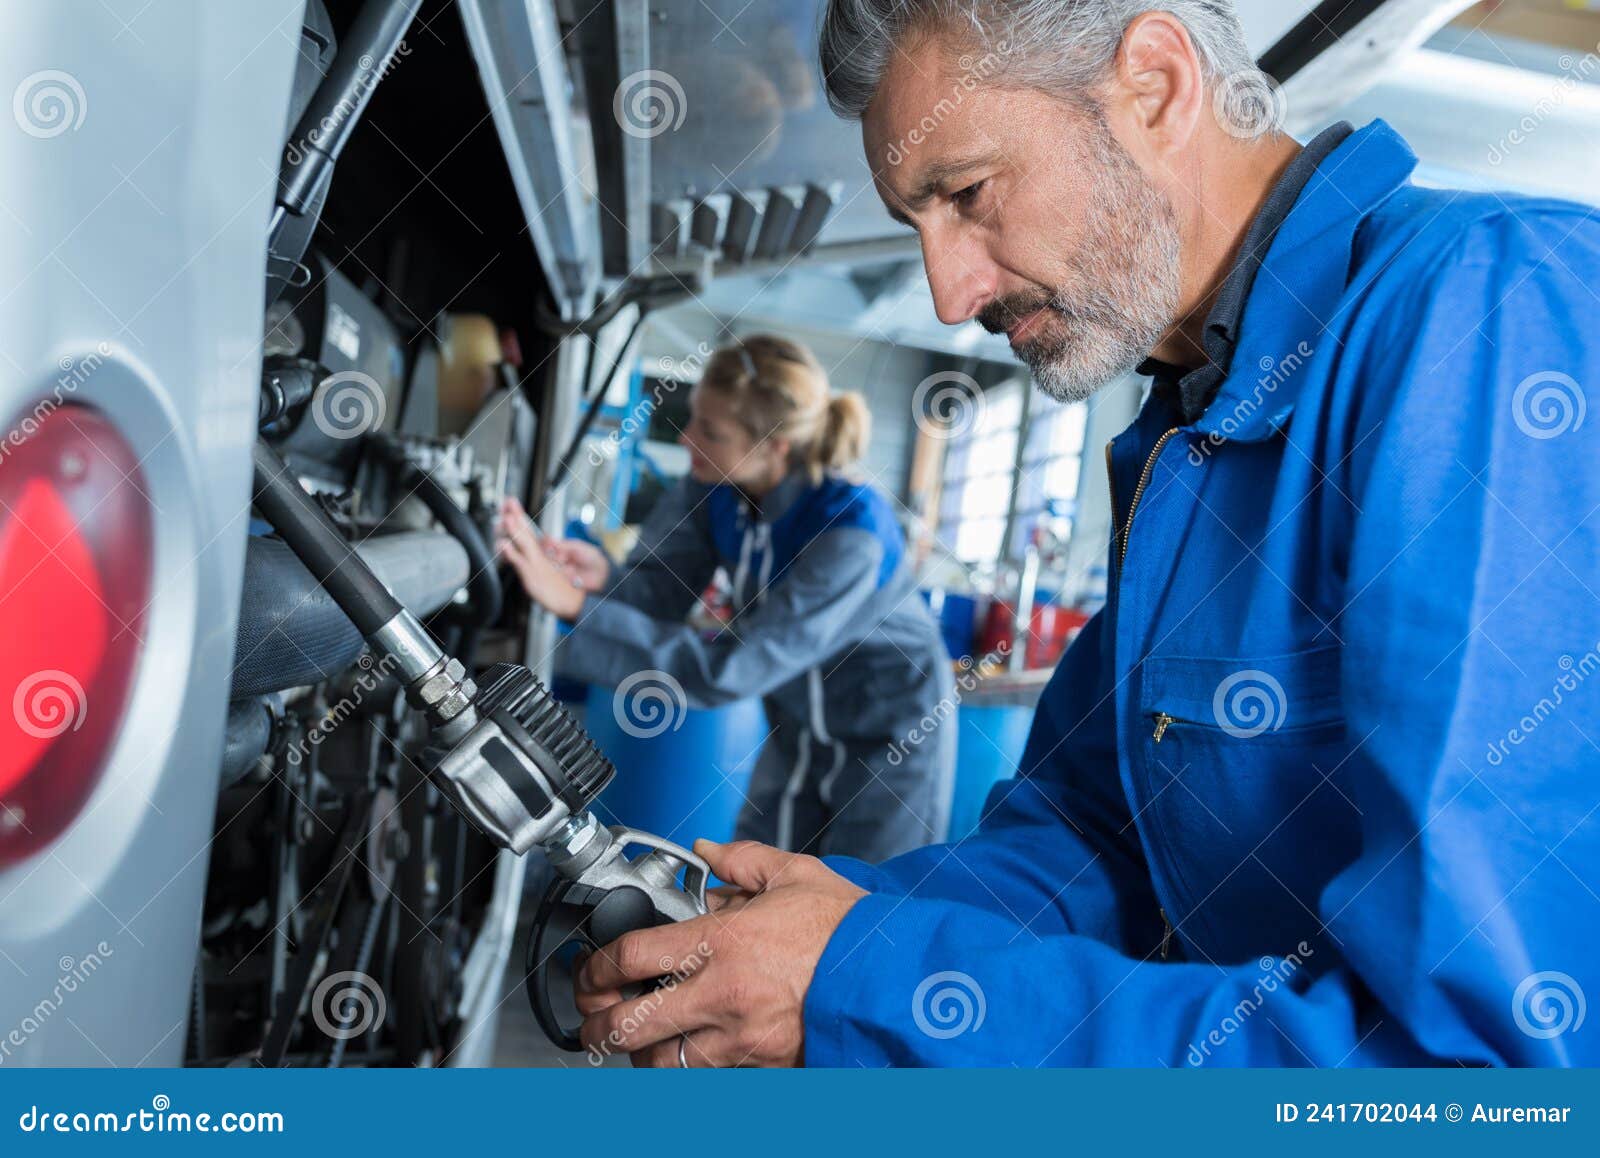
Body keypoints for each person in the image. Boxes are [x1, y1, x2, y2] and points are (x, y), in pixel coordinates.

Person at [564, 0, 1600, 1068]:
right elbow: (1089, 842)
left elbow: (1486, 1085)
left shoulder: (1493, 313)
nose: (949, 288)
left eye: (965, 193)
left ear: (1153, 84)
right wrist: (822, 931)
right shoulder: (1183, 436)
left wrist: (869, 982)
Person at [497, 334, 955, 863]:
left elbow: (732, 669)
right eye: (693, 418)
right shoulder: (714, 485)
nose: (687, 439)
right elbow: (660, 592)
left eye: (710, 431)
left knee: (866, 897)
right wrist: (600, 580)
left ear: (774, 446)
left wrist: (577, 608)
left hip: (889, 726)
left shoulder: (851, 533)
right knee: (757, 878)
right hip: (797, 719)